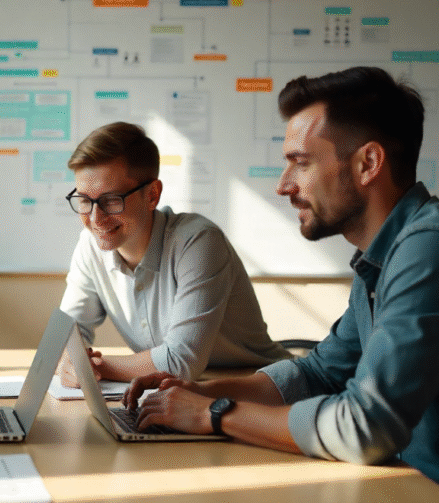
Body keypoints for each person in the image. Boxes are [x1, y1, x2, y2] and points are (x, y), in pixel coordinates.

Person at [123, 67, 439, 503]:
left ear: (368, 163)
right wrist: (204, 391)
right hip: (431, 497)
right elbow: (318, 371)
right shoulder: (383, 257)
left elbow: (364, 427)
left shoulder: (436, 250)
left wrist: (212, 415)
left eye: (301, 162)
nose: (283, 184)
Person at [57, 121, 291, 387]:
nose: (95, 219)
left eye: (111, 200)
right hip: (174, 395)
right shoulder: (90, 246)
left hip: (258, 390)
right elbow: (65, 337)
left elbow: (179, 364)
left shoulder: (198, 241)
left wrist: (92, 366)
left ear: (152, 195)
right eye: (85, 200)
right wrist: (69, 361)